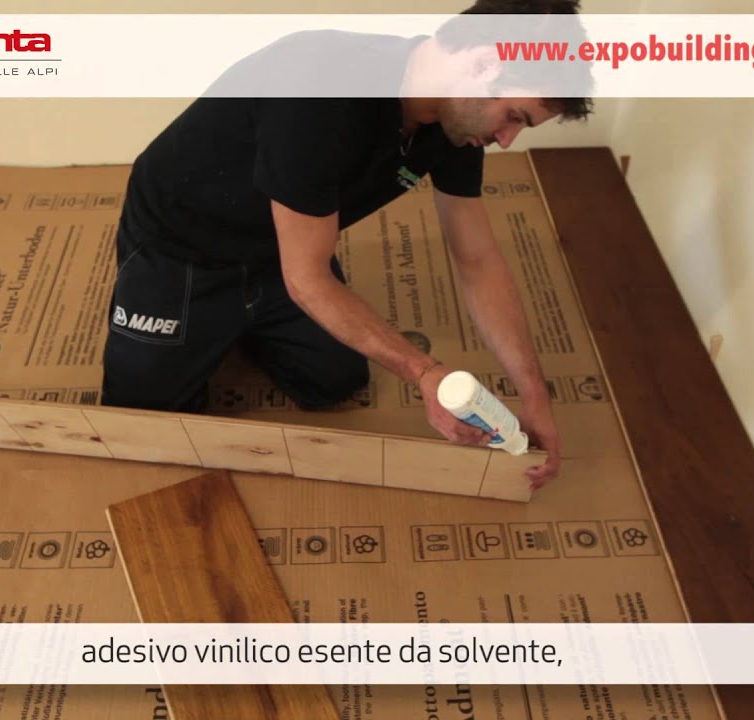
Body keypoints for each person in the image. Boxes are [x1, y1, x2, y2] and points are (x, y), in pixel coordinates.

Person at [103, 0, 593, 491]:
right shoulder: (320, 89)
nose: (506, 139)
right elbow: (307, 279)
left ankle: (235, 324)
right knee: (141, 424)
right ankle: (211, 323)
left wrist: (535, 395)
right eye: (514, 117)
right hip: (181, 248)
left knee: (334, 380)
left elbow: (478, 259)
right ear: (483, 64)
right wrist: (425, 373)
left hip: (279, 251)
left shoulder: (454, 118)